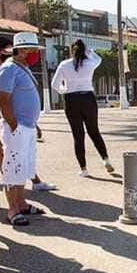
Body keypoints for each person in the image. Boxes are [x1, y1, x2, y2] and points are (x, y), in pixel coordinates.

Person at [0, 32, 47, 226]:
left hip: (27, 126)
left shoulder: (22, 67)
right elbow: (3, 100)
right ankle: (12, 210)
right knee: (13, 167)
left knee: (23, 167)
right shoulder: (9, 69)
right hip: (16, 127)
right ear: (23, 50)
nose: (35, 54)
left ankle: (21, 203)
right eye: (33, 50)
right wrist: (14, 126)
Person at [50, 39, 114, 176]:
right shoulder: (90, 63)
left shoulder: (64, 64)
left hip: (71, 99)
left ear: (72, 50)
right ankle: (105, 159)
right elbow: (99, 59)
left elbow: (54, 84)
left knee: (78, 136)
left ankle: (84, 169)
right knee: (94, 132)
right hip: (88, 98)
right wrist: (89, 52)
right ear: (84, 50)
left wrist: (64, 90)